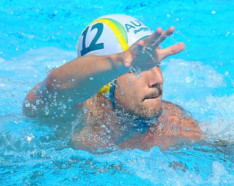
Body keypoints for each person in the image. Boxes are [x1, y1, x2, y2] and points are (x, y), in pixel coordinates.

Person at [23, 14, 203, 151]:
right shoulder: (74, 119)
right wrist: (120, 62)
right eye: (138, 69)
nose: (158, 80)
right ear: (106, 80)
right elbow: (54, 85)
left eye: (157, 64)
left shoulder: (172, 122)